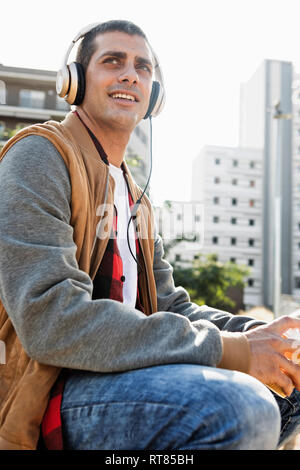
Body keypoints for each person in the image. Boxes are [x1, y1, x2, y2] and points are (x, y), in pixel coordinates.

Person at [0, 20, 300, 451]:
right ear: (75, 81)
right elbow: (51, 321)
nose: (130, 74)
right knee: (237, 405)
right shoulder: (39, 157)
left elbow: (171, 306)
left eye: (143, 67)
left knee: (289, 381)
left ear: (153, 95)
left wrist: (264, 335)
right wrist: (233, 350)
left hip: (126, 380)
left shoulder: (135, 197)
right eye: (112, 61)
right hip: (54, 390)